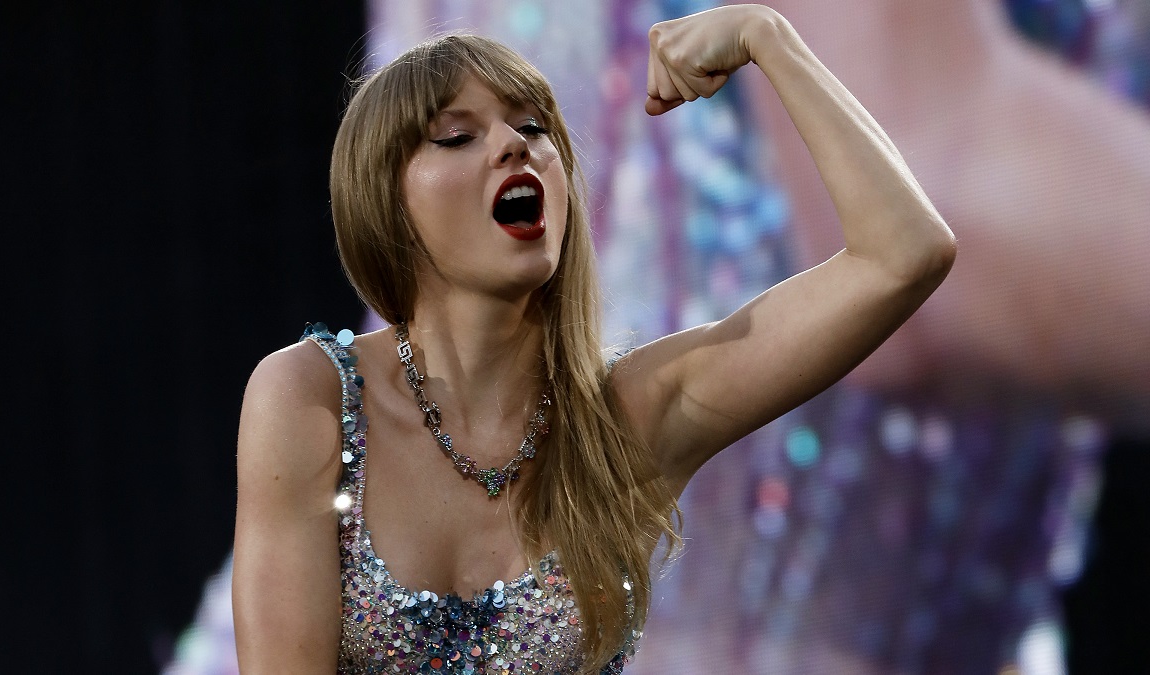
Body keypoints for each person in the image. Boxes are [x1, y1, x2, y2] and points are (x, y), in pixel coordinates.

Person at [230, 5, 956, 674]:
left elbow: (904, 255)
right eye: (456, 135)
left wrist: (769, 36)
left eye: (534, 127)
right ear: (386, 202)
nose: (515, 145)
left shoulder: (631, 420)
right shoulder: (310, 399)